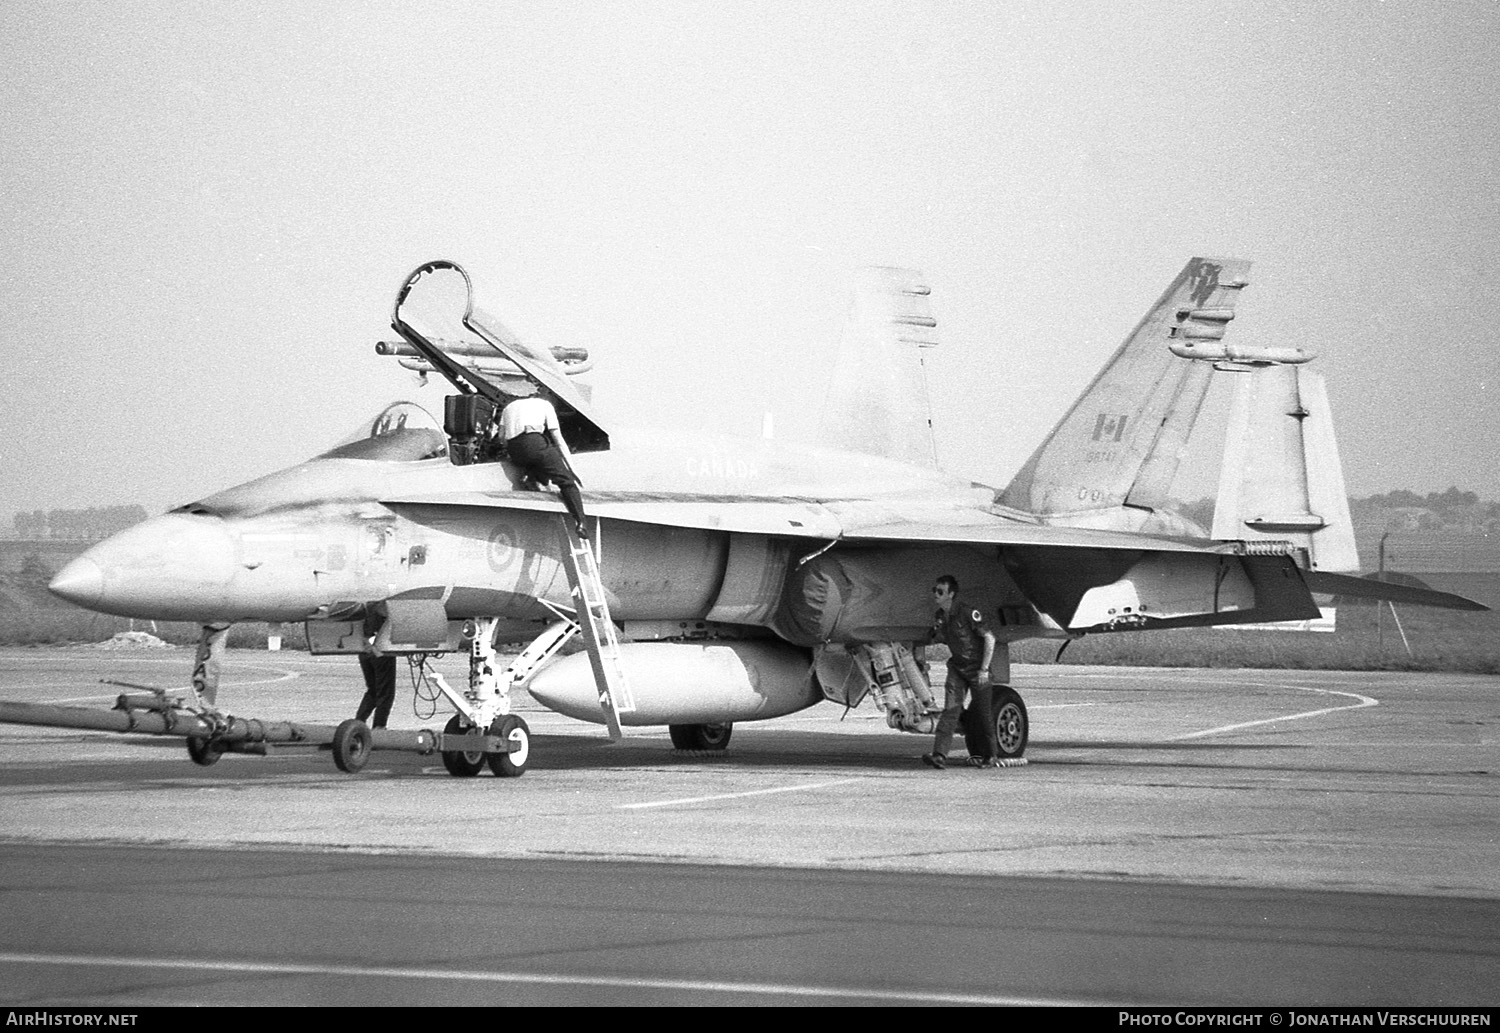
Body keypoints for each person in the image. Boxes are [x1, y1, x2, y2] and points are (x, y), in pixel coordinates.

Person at [917, 574, 998, 770]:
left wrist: (984, 669)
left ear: (951, 594)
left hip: (977, 669)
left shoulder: (967, 613)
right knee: (950, 711)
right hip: (957, 669)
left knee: (982, 714)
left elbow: (990, 639)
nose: (935, 594)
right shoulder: (940, 616)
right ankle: (939, 756)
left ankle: (991, 755)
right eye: (934, 591)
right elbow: (938, 638)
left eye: (940, 592)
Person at [497, 393, 588, 535]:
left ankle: (531, 477)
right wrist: (571, 469)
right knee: (567, 483)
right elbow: (558, 439)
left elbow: (501, 437)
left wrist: (513, 451)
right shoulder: (545, 404)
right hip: (533, 442)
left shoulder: (509, 407)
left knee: (537, 465)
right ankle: (581, 522)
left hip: (514, 450)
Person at [355, 653, 397, 729]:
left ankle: (358, 722)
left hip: (364, 652)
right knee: (386, 692)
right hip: (382, 652)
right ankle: (379, 726)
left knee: (373, 691)